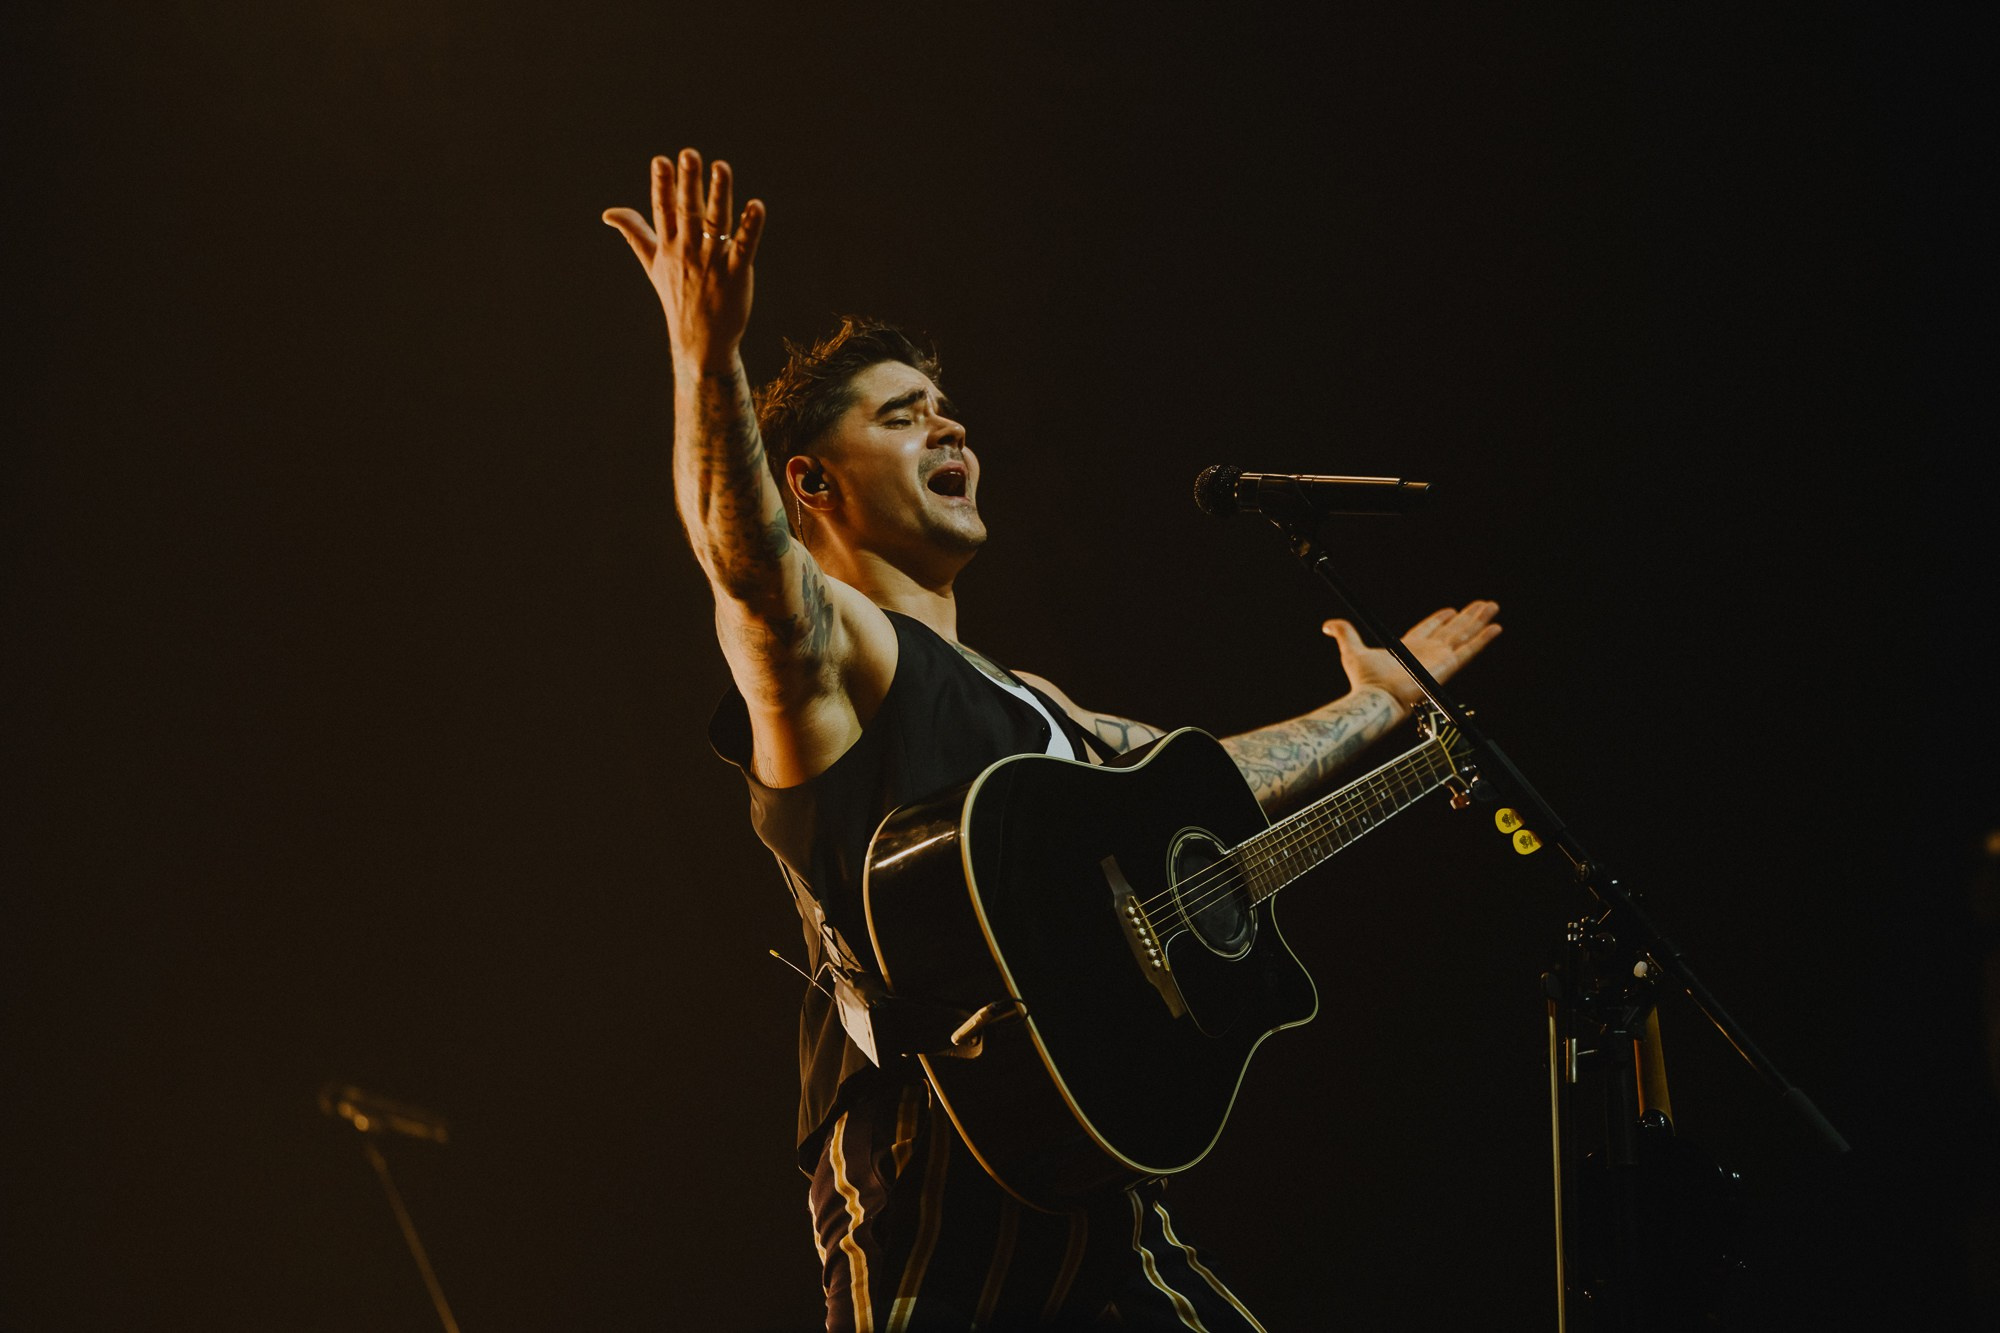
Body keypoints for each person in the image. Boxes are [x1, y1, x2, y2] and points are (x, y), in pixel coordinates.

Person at [603, 148, 1501, 1331]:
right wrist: (704, 353)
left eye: (945, 408)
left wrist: (1375, 704)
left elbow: (1210, 778)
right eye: (901, 415)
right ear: (811, 480)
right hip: (934, 1161)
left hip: (1097, 1184)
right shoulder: (841, 655)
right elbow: (744, 564)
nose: (947, 424)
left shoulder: (1033, 704)